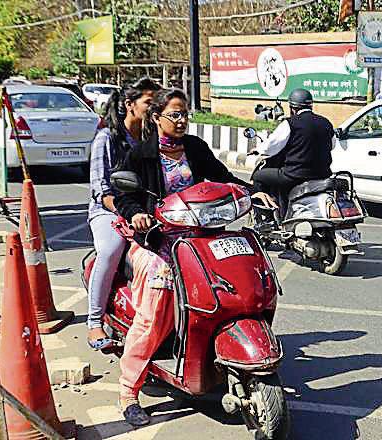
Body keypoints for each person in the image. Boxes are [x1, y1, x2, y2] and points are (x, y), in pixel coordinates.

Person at [115, 88, 273, 426]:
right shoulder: (141, 156)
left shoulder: (196, 149)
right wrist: (137, 215)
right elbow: (125, 196)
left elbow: (222, 178)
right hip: (156, 241)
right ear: (156, 118)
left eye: (185, 113)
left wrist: (250, 190)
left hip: (201, 236)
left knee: (237, 280)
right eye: (174, 114)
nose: (182, 119)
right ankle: (129, 390)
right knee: (154, 310)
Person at [86, 77, 161, 351]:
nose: (154, 111)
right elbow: (101, 190)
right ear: (130, 105)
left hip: (146, 211)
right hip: (108, 212)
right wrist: (128, 212)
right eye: (149, 104)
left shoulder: (151, 139)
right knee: (111, 249)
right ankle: (94, 322)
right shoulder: (106, 138)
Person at [251, 88, 334, 215]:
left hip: (294, 175)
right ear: (311, 106)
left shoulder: (290, 123)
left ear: (292, 108)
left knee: (259, 176)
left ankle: (266, 216)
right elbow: (332, 145)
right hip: (322, 174)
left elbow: (270, 147)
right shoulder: (326, 122)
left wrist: (258, 150)